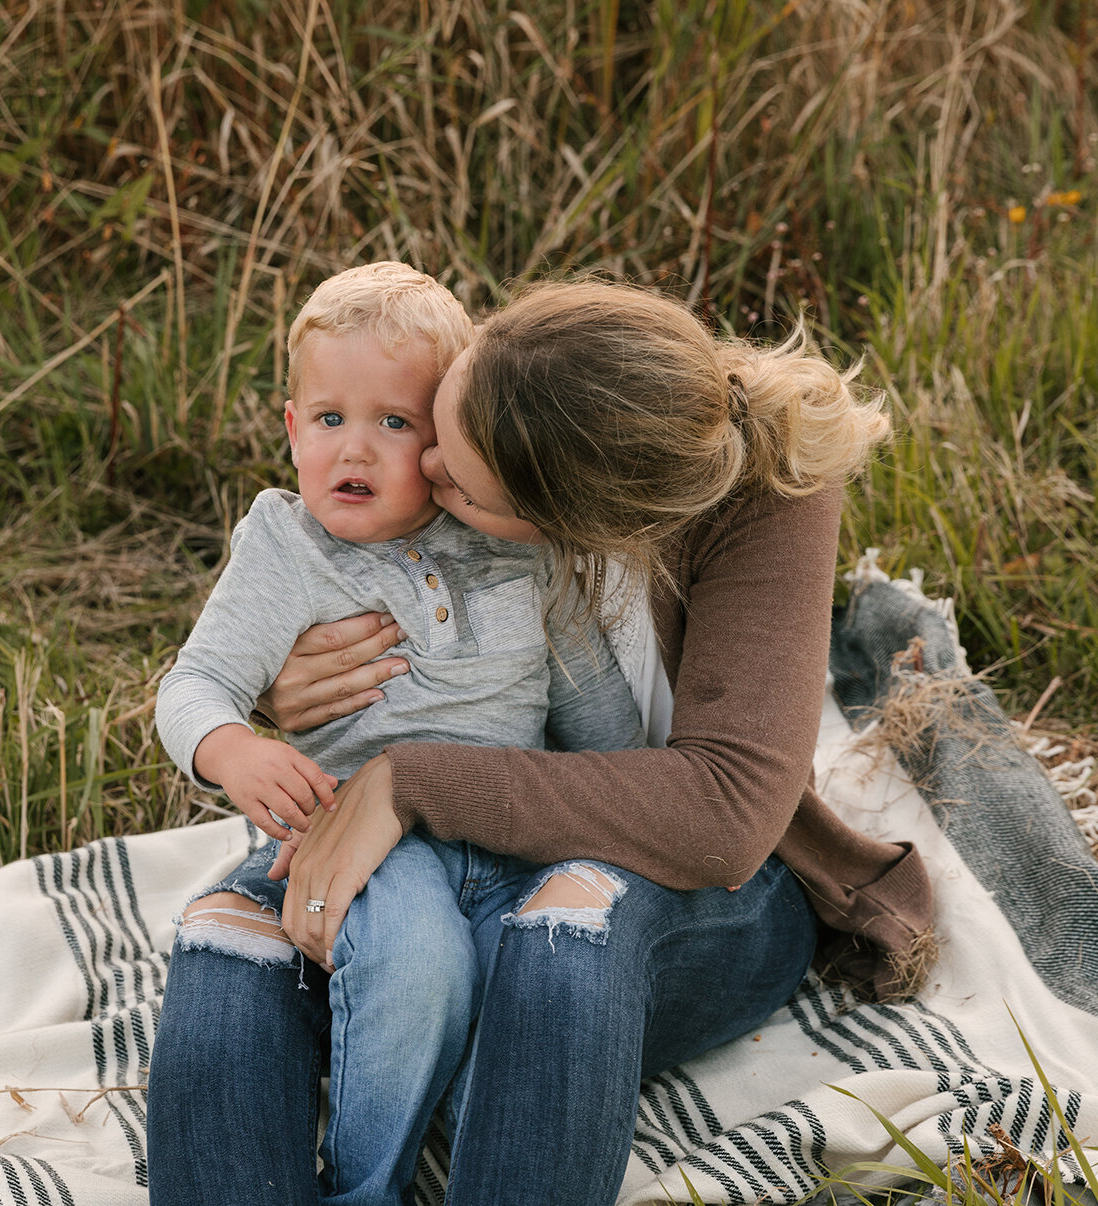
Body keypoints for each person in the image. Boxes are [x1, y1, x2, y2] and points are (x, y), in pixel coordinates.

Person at [146, 279, 935, 1206]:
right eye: (432, 433)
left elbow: (725, 811)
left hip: (673, 871)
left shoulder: (757, 489)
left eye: (458, 481)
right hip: (443, 846)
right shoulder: (522, 384)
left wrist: (412, 776)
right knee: (235, 934)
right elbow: (350, 575)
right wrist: (296, 685)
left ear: (571, 521)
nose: (427, 471)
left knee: (563, 929)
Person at [151, 262, 644, 1206]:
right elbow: (196, 682)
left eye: (395, 423)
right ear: (292, 428)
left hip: (514, 834)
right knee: (420, 969)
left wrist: (622, 807)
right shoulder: (284, 546)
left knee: (539, 994)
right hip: (375, 848)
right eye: (330, 419)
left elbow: (596, 719)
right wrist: (232, 747)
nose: (356, 451)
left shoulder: (514, 544)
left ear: (452, 443)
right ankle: (366, 1183)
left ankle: (465, 1144)